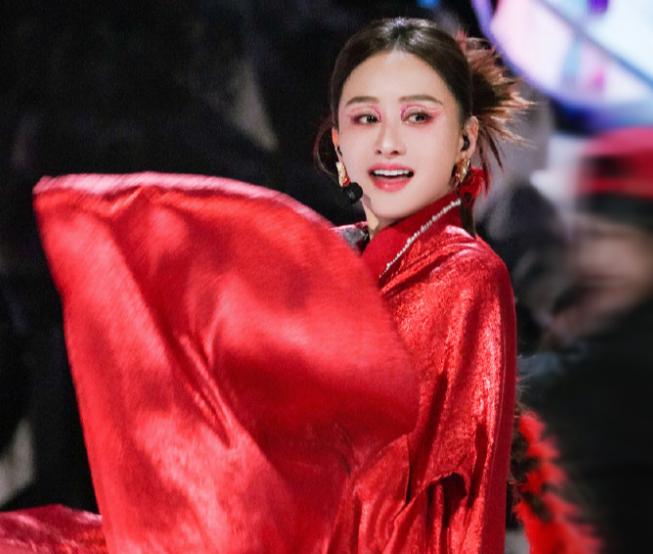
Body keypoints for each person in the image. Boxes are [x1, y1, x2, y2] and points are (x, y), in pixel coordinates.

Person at [0, 17, 589, 554]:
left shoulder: (461, 277)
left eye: (417, 119)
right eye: (367, 120)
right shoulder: (328, 242)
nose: (389, 141)